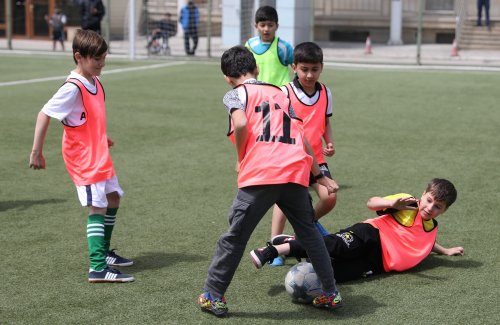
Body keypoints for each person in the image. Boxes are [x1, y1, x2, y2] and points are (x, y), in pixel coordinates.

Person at [197, 46, 343, 317]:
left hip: (261, 173)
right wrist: (319, 175)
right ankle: (330, 292)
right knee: (310, 235)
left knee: (235, 238)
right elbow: (303, 137)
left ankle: (212, 295)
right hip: (294, 171)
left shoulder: (235, 94)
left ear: (228, 78)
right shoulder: (280, 92)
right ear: (257, 69)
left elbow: (240, 124)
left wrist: (241, 157)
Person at [29, 29, 134, 283]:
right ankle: (97, 267)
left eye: (103, 57)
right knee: (97, 206)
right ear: (79, 57)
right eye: (97, 59)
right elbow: (44, 114)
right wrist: (37, 151)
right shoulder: (72, 87)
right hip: (83, 157)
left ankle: (104, 253)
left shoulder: (95, 81)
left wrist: (101, 136)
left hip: (97, 151)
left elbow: (87, 118)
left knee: (112, 198)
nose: (102, 63)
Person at [251, 178, 465, 283]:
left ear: (444, 211)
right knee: (335, 246)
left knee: (336, 274)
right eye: (429, 200)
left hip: (378, 263)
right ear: (423, 193)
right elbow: (372, 203)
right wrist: (392, 204)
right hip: (371, 235)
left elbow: (422, 241)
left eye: (438, 207)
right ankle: (272, 250)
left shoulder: (431, 227)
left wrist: (445, 251)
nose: (429, 208)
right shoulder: (407, 203)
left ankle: (295, 247)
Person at [269, 42, 337, 267]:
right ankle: (274, 247)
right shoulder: (285, 92)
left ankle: (304, 230)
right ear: (294, 67)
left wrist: (329, 141)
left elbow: (326, 121)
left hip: (316, 157)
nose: (309, 74)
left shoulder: (326, 91)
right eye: (304, 69)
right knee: (284, 201)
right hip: (291, 157)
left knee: (329, 197)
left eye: (314, 69)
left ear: (322, 68)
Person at [245, 5, 294, 87]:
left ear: (277, 26)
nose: (266, 29)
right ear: (256, 26)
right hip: (258, 93)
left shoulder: (284, 47)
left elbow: (298, 67)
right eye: (262, 25)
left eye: (270, 25)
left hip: (280, 94)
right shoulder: (250, 45)